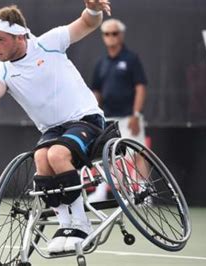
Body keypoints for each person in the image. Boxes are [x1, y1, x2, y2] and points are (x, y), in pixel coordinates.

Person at [0, 2, 111, 254]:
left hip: (86, 119)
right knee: (41, 159)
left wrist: (94, 10)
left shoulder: (49, 42)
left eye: (0, 39)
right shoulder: (1, 70)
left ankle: (81, 224)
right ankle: (65, 226)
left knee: (56, 154)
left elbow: (87, 23)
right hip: (54, 131)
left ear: (20, 36)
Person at [89, 19, 148, 202]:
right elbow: (96, 91)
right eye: (107, 34)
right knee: (107, 156)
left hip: (129, 117)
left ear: (121, 35)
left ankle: (144, 192)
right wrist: (94, 113)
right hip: (108, 118)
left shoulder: (131, 59)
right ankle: (107, 191)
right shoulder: (101, 63)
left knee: (137, 152)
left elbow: (140, 87)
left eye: (114, 33)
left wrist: (136, 114)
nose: (111, 37)